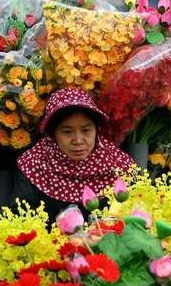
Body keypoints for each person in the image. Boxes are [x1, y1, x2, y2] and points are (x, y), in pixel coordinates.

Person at [7, 87, 135, 220]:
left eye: (86, 130)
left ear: (96, 130)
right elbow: (20, 220)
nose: (78, 141)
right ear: (53, 133)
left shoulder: (118, 165)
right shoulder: (34, 165)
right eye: (67, 132)